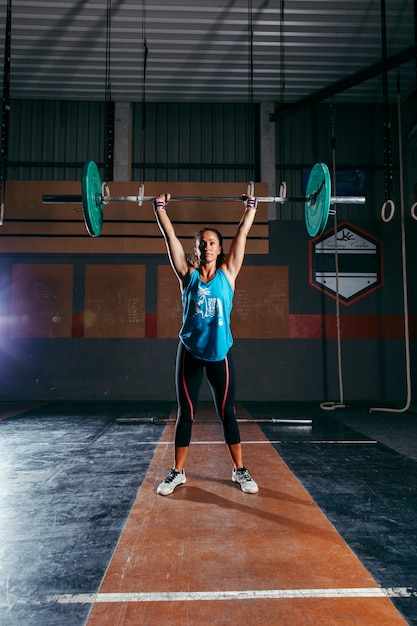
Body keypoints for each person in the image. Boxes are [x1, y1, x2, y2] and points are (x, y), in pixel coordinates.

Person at [153, 191, 259, 496]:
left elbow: (243, 232)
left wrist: (249, 207)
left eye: (212, 242)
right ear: (196, 249)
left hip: (219, 354)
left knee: (227, 412)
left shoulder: (229, 272)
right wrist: (160, 208)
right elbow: (169, 237)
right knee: (185, 412)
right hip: (189, 352)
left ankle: (240, 470)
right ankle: (177, 472)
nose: (207, 246)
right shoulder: (187, 276)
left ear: (220, 248)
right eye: (202, 242)